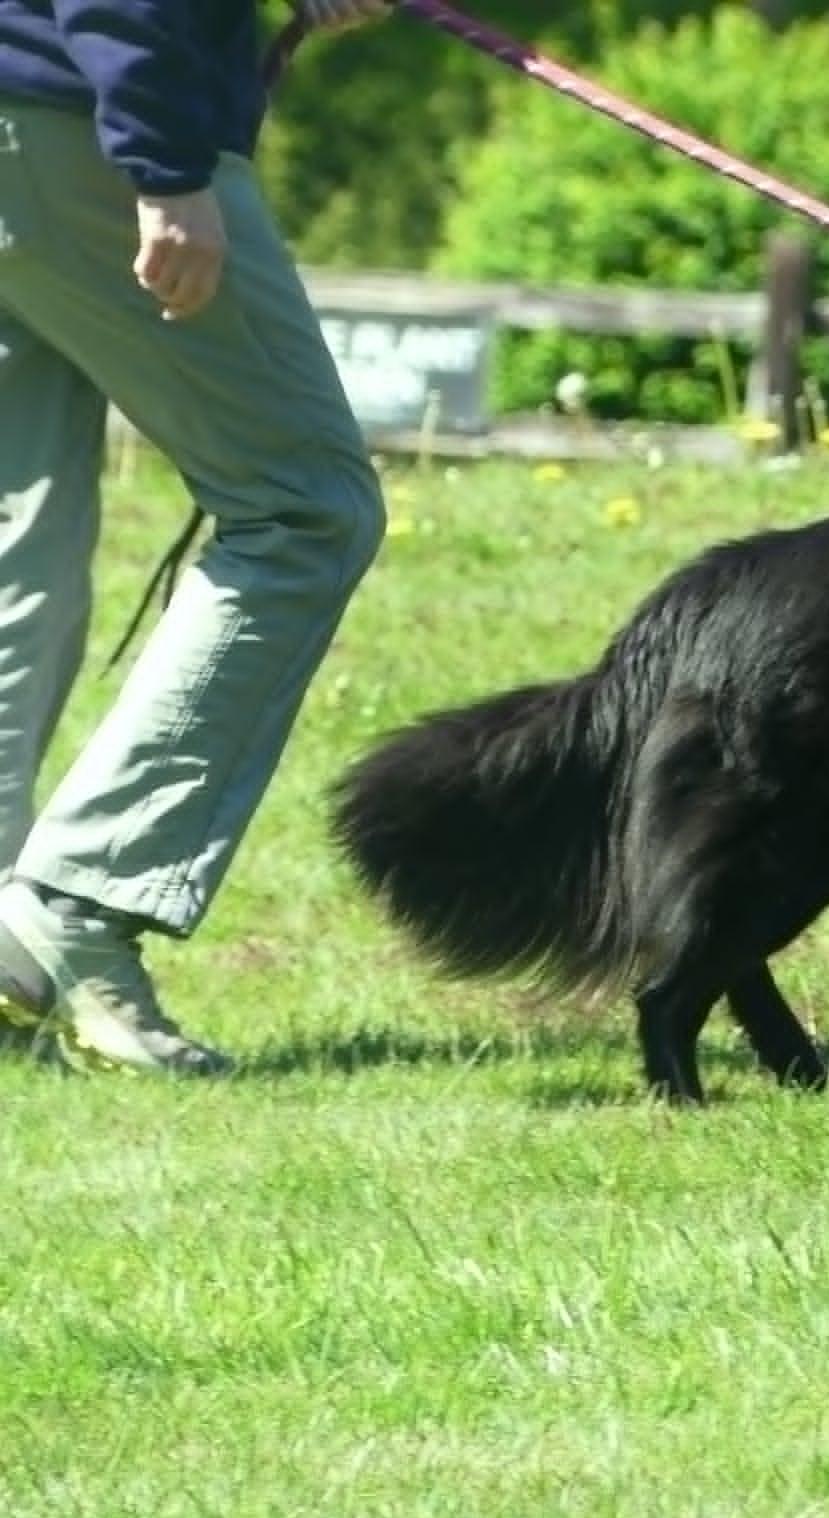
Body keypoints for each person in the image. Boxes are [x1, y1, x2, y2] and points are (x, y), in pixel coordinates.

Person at [0, 0, 389, 1074]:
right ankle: (77, 903)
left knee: (16, 545)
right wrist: (165, 168)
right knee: (307, 508)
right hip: (77, 115)